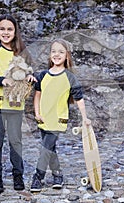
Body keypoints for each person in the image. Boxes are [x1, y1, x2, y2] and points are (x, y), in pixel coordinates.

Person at [0, 14, 35, 193]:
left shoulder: (22, 52)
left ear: (15, 31)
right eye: (2, 29)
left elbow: (29, 72)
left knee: (15, 142)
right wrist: (1, 80)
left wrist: (30, 78)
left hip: (15, 106)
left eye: (9, 29)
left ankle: (18, 176)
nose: (6, 32)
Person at [30, 39, 91, 192]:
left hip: (58, 119)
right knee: (50, 149)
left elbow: (79, 100)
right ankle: (58, 176)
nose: (57, 54)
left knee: (45, 148)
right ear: (50, 55)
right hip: (43, 117)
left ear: (67, 56)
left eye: (61, 52)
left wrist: (85, 118)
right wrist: (37, 113)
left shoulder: (70, 77)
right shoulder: (43, 75)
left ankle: (38, 177)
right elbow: (37, 96)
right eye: (54, 51)